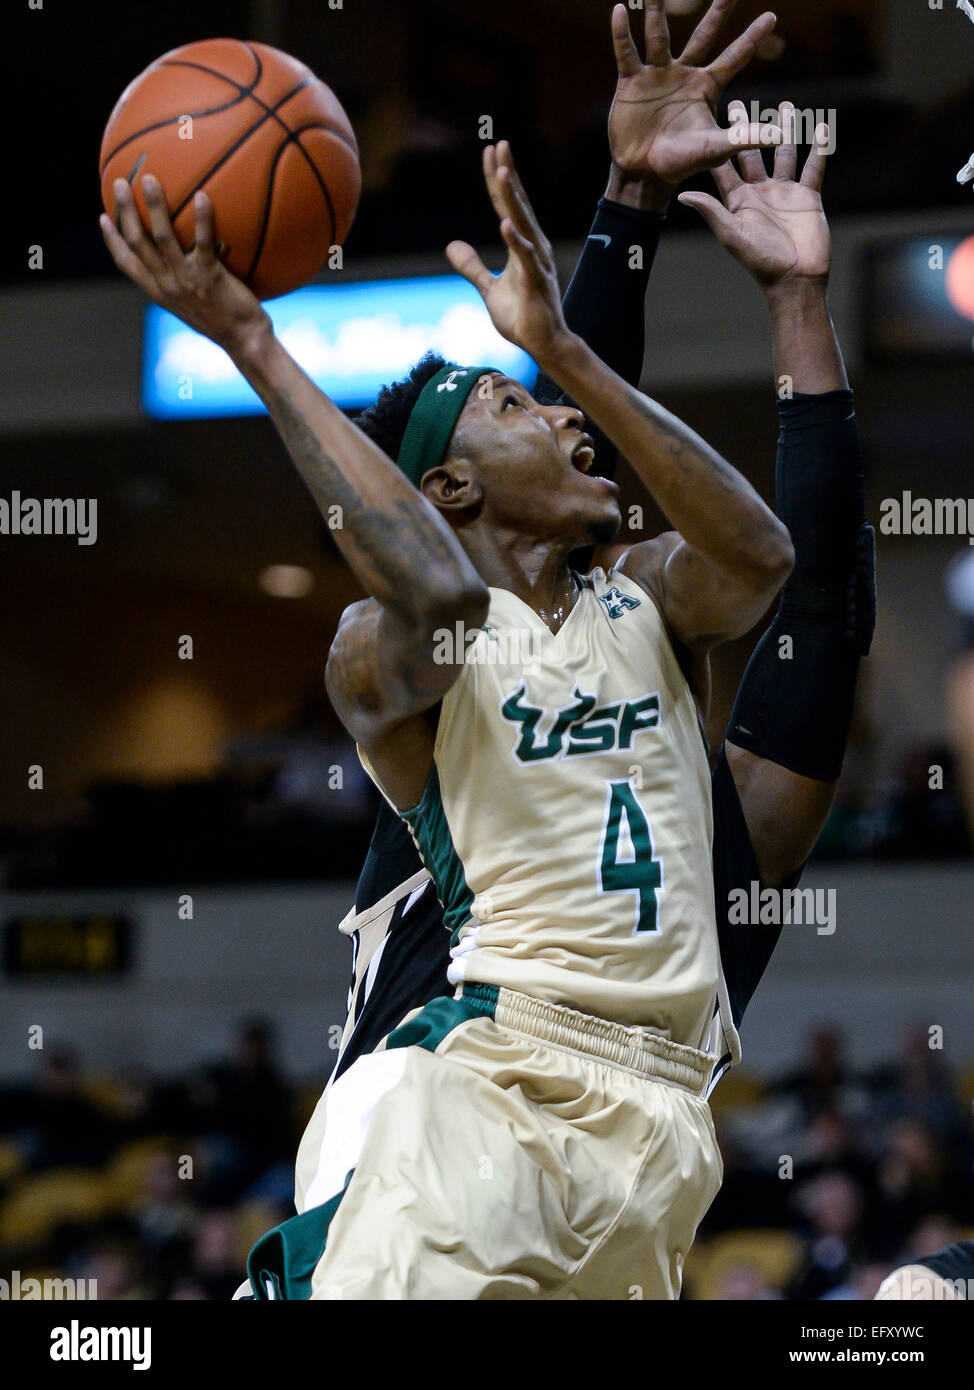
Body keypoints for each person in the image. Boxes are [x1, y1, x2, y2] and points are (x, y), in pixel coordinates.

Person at [102, 3, 874, 1302]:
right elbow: (460, 558)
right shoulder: (432, 652)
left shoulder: (658, 658)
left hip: (653, 1134)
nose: (572, 431)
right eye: (525, 407)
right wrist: (258, 342)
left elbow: (797, 585)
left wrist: (777, 292)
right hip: (449, 1089)